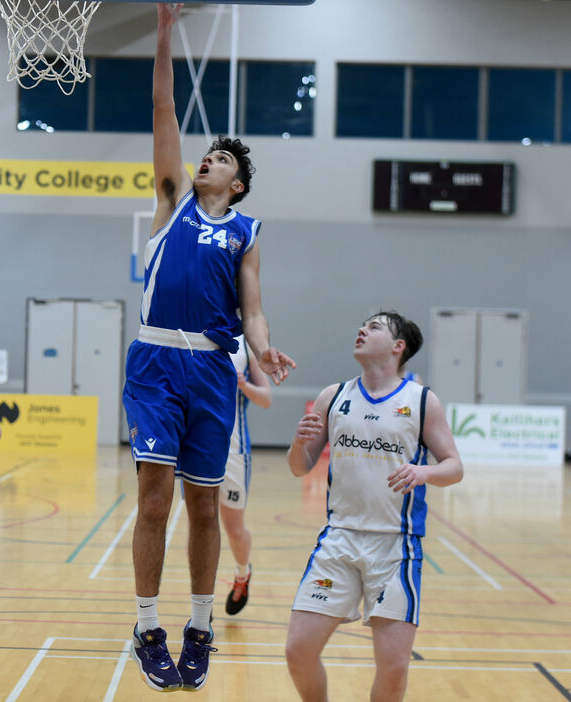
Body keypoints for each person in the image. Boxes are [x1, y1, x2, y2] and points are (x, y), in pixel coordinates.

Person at [122, 4, 296, 692]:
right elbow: (165, 108)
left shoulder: (247, 229)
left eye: (220, 159)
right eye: (206, 154)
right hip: (157, 360)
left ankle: (200, 625)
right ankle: (145, 624)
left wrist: (265, 350)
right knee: (155, 500)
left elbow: (251, 307)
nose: (206, 160)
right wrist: (165, 32)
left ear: (238, 184)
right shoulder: (172, 202)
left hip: (213, 369)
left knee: (203, 506)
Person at [285, 311, 463, 702]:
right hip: (340, 540)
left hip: (395, 547)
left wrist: (424, 473)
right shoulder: (334, 396)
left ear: (399, 347)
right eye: (363, 325)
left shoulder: (420, 400)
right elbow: (300, 468)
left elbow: (454, 466)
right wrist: (299, 443)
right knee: (298, 651)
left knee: (394, 668)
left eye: (375, 326)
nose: (362, 329)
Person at [221, 334, 271, 615]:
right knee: (200, 523)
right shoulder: (194, 333)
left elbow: (266, 399)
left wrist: (244, 384)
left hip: (234, 449)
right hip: (198, 444)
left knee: (234, 529)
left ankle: (243, 573)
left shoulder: (246, 345)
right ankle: (201, 600)